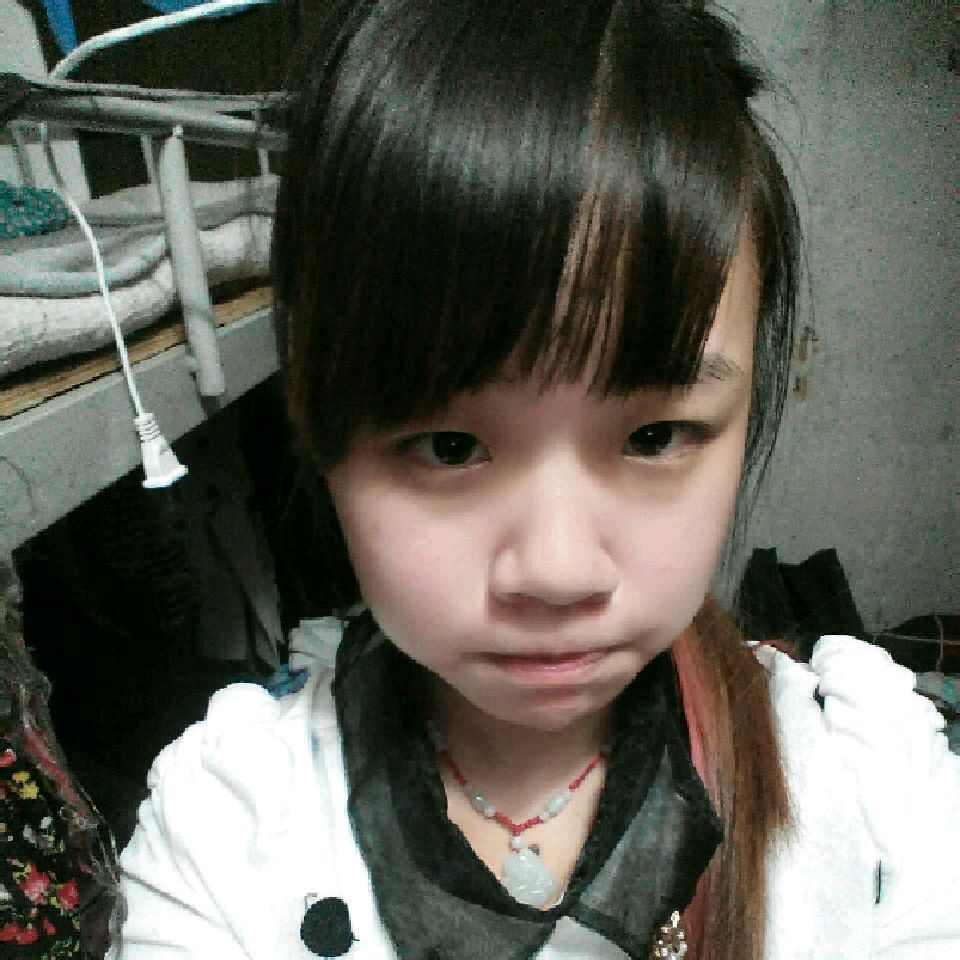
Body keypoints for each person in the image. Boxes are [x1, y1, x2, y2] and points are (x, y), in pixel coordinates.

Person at [107, 2, 960, 958]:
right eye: (448, 447)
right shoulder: (224, 838)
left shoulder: (873, 795)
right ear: (322, 433)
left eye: (655, 436)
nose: (558, 572)